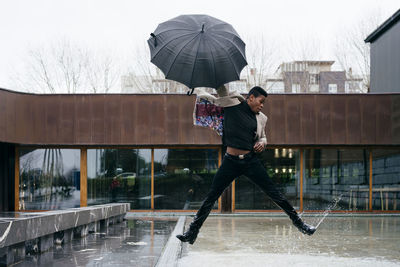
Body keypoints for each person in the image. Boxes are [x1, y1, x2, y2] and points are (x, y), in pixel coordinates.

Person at [176, 85, 316, 245]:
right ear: (250, 97)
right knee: (211, 197)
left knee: (275, 194)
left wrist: (263, 142)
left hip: (250, 161)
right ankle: (192, 233)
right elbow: (221, 86)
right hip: (230, 162)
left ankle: (300, 224)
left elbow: (263, 137)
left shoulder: (261, 118)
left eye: (264, 103)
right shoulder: (232, 104)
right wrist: (198, 89)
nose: (262, 105)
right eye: (260, 101)